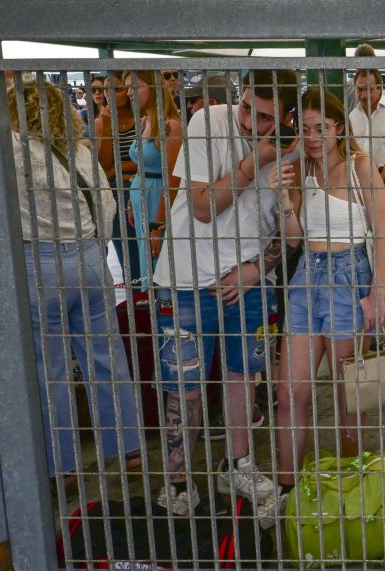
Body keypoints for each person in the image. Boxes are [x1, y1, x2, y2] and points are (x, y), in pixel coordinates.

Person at [149, 69, 299, 515]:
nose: (251, 122)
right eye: (248, 107)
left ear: (286, 116)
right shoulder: (207, 123)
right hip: (185, 278)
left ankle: (238, 463)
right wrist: (254, 162)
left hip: (247, 284)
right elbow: (200, 207)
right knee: (185, 385)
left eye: (266, 117)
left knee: (243, 379)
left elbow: (289, 234)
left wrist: (256, 269)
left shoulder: (289, 151)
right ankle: (178, 479)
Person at [6, 78, 142, 481]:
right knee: (107, 356)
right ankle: (128, 446)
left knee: (51, 369)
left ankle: (62, 464)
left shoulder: (9, 153)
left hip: (38, 262)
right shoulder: (80, 153)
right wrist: (95, 245)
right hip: (88, 257)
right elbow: (107, 203)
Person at [276, 87, 385, 489]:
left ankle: (351, 484)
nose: (312, 137)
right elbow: (294, 238)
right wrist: (283, 198)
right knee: (290, 394)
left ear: (338, 127)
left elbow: (383, 233)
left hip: (349, 275)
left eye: (320, 127)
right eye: (304, 129)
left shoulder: (361, 167)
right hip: (306, 275)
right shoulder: (300, 170)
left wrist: (377, 291)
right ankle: (288, 489)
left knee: (348, 396)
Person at [123, 70, 183, 283]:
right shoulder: (145, 121)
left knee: (158, 259)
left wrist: (158, 226)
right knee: (145, 256)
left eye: (135, 86)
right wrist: (131, 200)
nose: (129, 93)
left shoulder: (171, 126)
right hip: (141, 200)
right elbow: (141, 165)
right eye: (127, 87)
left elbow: (173, 180)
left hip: (158, 201)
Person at [92, 71, 140, 281]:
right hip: (117, 193)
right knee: (128, 255)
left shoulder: (143, 117)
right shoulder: (100, 122)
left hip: (143, 187)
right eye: (105, 90)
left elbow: (149, 161)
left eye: (117, 89)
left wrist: (123, 167)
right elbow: (104, 167)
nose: (109, 94)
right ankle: (136, 295)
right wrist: (106, 122)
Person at [349, 69, 385, 172]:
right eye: (360, 90)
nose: (364, 95)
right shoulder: (353, 116)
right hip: (359, 178)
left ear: (380, 88)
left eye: (369, 90)